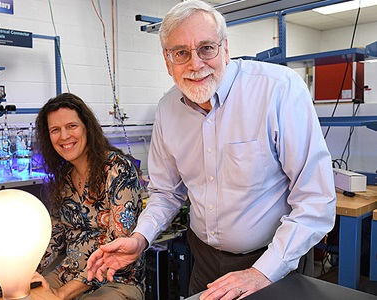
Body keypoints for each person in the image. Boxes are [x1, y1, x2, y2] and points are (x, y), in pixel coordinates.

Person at [87, 1, 336, 299]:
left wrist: (261, 272)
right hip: (204, 261)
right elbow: (166, 193)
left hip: (274, 262)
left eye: (206, 48)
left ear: (226, 49)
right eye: (181, 53)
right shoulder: (167, 110)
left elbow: (315, 200)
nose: (195, 64)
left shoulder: (279, 91)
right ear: (167, 62)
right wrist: (141, 237)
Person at [31, 92, 145, 300]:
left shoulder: (117, 170)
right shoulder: (64, 177)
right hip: (67, 274)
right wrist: (24, 271)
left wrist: (60, 294)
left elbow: (116, 252)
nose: (64, 136)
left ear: (87, 127)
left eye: (71, 126)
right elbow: (55, 236)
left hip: (116, 282)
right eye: (55, 130)